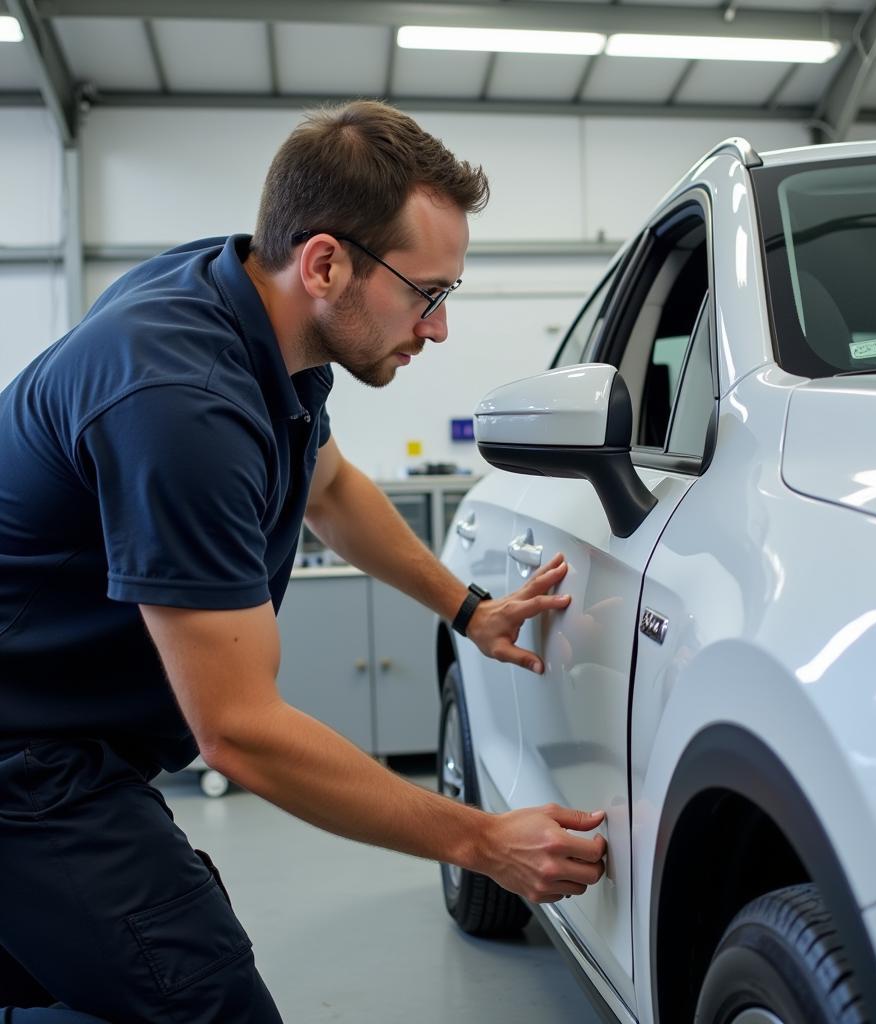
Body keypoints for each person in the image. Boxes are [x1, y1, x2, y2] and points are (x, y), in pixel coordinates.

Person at [0, 100, 607, 1023]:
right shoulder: (181, 401)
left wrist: (468, 608)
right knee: (207, 1003)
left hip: (68, 735)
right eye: (428, 294)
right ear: (324, 262)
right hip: (27, 759)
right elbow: (239, 730)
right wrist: (481, 841)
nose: (437, 328)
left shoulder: (251, 311)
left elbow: (329, 488)